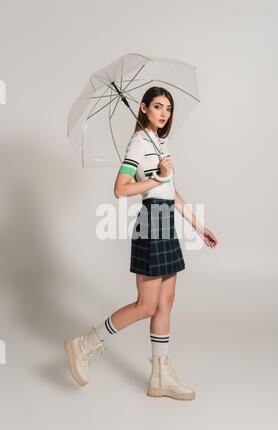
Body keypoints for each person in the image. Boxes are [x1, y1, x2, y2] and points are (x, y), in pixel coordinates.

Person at [64, 86, 218, 400]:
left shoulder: (161, 143)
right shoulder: (137, 144)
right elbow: (120, 188)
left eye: (168, 108)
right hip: (151, 223)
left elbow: (171, 191)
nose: (164, 113)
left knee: (166, 302)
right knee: (146, 305)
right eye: (158, 106)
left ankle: (160, 377)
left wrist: (198, 226)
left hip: (167, 222)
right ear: (144, 108)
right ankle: (84, 344)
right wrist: (157, 177)